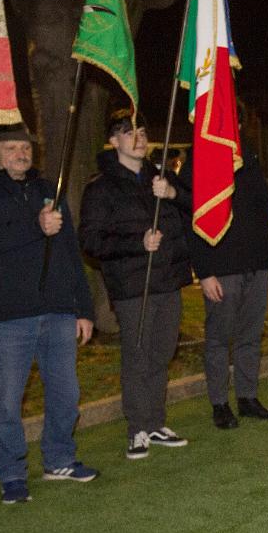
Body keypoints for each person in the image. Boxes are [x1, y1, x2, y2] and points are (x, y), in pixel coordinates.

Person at [0, 127, 99, 504]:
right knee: (5, 401)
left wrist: (83, 308)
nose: (22, 153)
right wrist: (35, 226)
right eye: (12, 147)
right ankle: (11, 472)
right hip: (8, 315)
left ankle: (60, 459)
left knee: (66, 394)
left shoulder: (49, 189)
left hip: (58, 310)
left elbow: (69, 252)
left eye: (26, 146)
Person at [79, 111, 193, 460]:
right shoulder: (101, 187)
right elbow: (91, 241)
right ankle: (138, 427)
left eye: (142, 131)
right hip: (132, 286)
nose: (139, 138)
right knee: (138, 356)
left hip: (168, 281)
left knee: (162, 354)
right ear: (114, 141)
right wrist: (137, 243)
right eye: (129, 132)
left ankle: (156, 422)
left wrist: (172, 193)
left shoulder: (159, 177)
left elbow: (195, 209)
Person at [175, 145, 268, 428]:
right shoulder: (200, 158)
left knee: (250, 337)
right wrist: (204, 272)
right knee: (219, 340)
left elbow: (266, 209)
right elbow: (192, 218)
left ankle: (248, 398)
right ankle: (220, 404)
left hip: (257, 263)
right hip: (221, 267)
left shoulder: (248, 158)